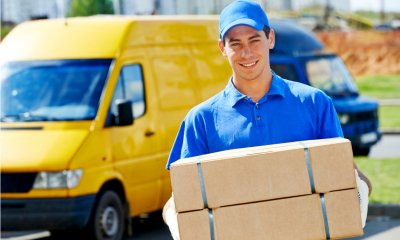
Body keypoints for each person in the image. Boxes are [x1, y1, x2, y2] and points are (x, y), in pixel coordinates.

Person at [162, 0, 371, 229]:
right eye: (236, 44)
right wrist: (176, 219)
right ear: (222, 48)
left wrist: (358, 189)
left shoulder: (315, 103)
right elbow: (180, 201)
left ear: (270, 38)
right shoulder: (200, 120)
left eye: (254, 40)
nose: (247, 52)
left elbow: (346, 178)